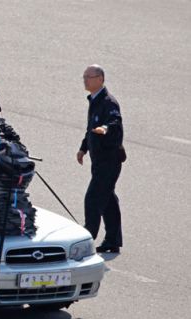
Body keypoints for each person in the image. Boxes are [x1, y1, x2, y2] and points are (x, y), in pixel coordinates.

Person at [76, 64, 124, 253]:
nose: (85, 80)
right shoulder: (95, 100)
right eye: (84, 76)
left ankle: (87, 238)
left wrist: (106, 129)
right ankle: (113, 240)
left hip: (109, 161)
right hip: (99, 161)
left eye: (89, 76)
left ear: (100, 79)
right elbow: (91, 128)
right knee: (108, 200)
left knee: (94, 198)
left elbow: (115, 124)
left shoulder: (108, 102)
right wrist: (83, 148)